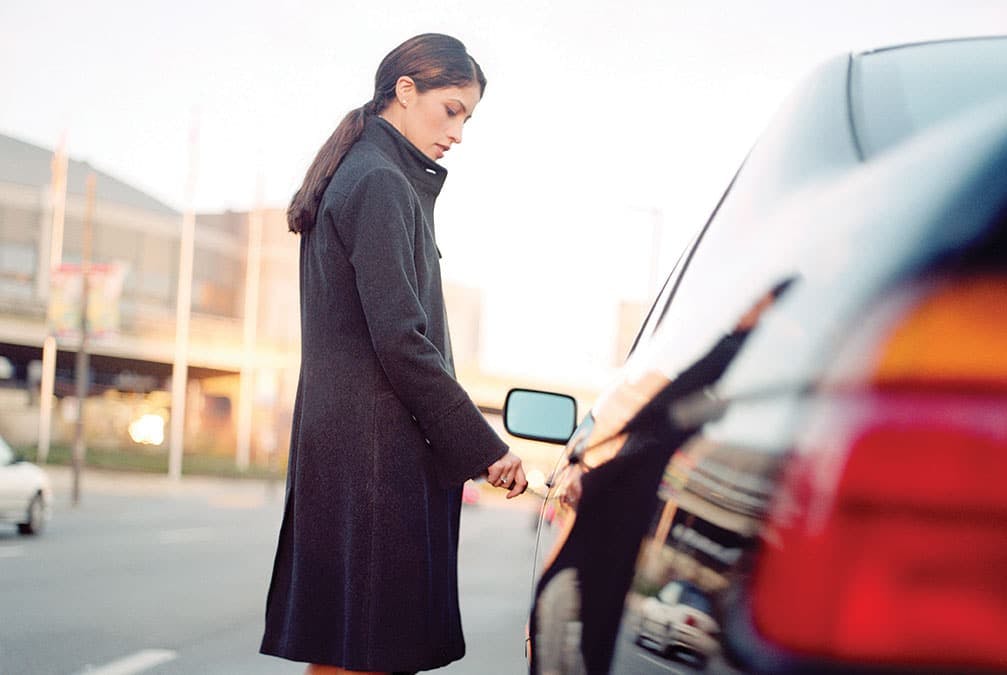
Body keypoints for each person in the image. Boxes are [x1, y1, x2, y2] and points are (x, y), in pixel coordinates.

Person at [260, 33, 527, 675]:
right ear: (405, 92)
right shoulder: (381, 182)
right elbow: (403, 341)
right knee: (370, 654)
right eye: (452, 109)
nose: (458, 132)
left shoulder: (361, 172)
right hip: (379, 458)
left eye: (468, 117)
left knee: (344, 651)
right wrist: (487, 449)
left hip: (347, 452)